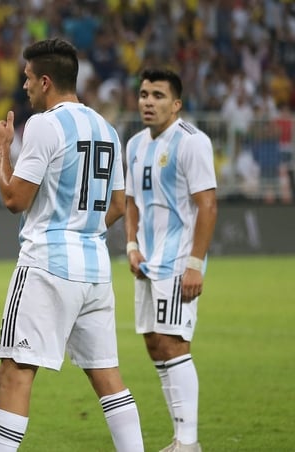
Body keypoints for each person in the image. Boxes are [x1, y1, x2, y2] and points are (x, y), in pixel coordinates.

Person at [0, 38, 144, 452]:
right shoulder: (107, 129)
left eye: (28, 79)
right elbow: (120, 205)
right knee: (108, 377)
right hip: (94, 271)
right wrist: (83, 227)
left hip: (46, 266)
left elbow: (14, 200)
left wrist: (2, 150)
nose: (25, 87)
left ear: (47, 81)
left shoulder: (44, 125)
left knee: (14, 375)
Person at [125, 68, 218, 452]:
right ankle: (180, 436)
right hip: (146, 260)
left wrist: (195, 263)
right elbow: (130, 201)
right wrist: (130, 244)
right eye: (145, 94)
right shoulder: (133, 144)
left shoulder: (193, 142)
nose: (148, 101)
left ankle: (188, 441)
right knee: (154, 343)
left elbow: (207, 204)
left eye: (159, 95)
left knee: (175, 343)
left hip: (178, 260)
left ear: (176, 104)